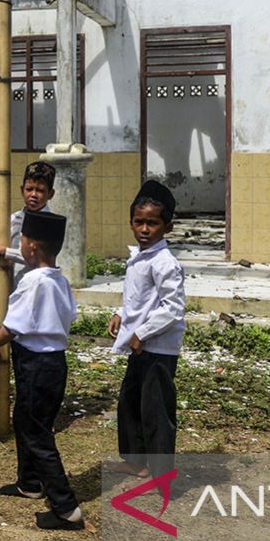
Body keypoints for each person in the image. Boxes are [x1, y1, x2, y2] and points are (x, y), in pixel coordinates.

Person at [0, 210, 84, 531]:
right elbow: (68, 317)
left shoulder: (33, 281)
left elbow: (12, 326)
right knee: (27, 422)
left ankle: (66, 509)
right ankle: (29, 483)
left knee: (37, 433)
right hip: (53, 363)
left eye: (23, 240)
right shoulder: (60, 280)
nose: (22, 244)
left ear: (31, 248)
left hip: (36, 364)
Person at [107, 179, 186, 482]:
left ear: (167, 227)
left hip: (158, 349)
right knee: (130, 403)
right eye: (139, 222)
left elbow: (172, 308)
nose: (144, 229)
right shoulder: (138, 258)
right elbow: (137, 298)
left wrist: (143, 332)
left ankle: (161, 473)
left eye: (152, 223)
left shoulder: (165, 263)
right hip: (139, 346)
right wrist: (121, 314)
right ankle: (136, 460)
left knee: (156, 412)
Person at [0, 161, 55, 284]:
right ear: (22, 190)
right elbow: (9, 252)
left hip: (38, 286)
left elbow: (38, 258)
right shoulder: (14, 219)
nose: (33, 195)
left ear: (50, 194)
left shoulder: (51, 223)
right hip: (14, 286)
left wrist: (3, 251)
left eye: (40, 190)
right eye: (29, 189)